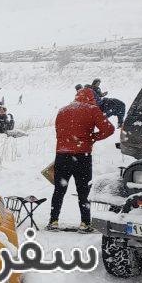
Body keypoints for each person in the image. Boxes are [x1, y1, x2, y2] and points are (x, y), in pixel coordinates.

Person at [47, 87, 115, 232]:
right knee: (84, 191)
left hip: (62, 156)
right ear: (92, 98)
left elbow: (59, 132)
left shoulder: (62, 110)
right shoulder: (92, 110)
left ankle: (53, 221)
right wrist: (92, 137)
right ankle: (85, 223)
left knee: (59, 190)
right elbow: (109, 129)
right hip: (82, 156)